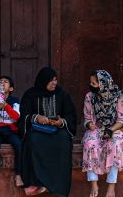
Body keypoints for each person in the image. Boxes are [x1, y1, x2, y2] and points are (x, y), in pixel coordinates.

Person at [18, 67, 77, 196]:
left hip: (57, 130)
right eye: (51, 80)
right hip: (37, 130)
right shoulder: (30, 94)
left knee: (64, 140)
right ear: (43, 81)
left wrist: (61, 122)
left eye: (55, 80)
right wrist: (36, 118)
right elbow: (23, 116)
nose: (54, 83)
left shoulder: (61, 94)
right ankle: (37, 183)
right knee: (33, 140)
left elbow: (71, 115)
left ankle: (57, 187)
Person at [82, 70, 123, 197]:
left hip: (114, 129)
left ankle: (111, 186)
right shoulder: (90, 97)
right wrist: (89, 124)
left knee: (115, 143)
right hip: (96, 129)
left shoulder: (117, 96)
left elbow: (122, 120)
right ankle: (93, 183)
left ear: (103, 84)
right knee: (89, 142)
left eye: (94, 83)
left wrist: (111, 130)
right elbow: (87, 118)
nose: (91, 85)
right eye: (90, 83)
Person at [0, 75, 24, 187]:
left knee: (18, 144)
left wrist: (6, 106)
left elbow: (16, 116)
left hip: (11, 131)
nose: (2, 83)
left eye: (5, 82)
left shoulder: (14, 101)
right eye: (0, 82)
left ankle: (18, 175)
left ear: (10, 88)